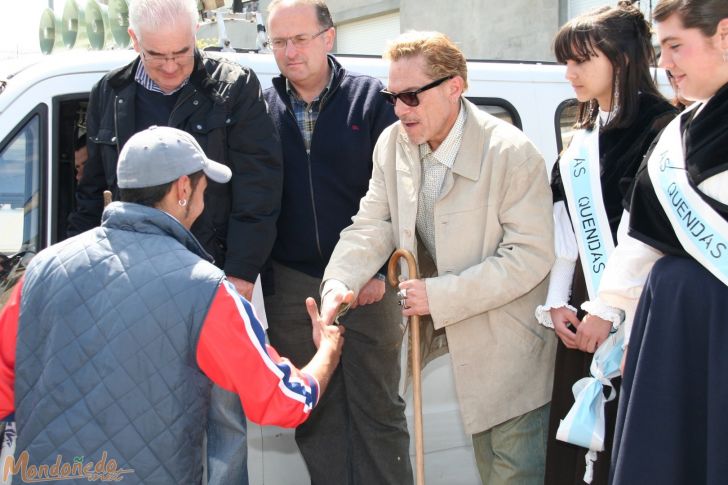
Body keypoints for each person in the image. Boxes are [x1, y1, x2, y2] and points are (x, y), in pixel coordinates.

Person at [0, 126, 344, 485]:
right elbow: (283, 401)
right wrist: (327, 352)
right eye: (203, 187)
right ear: (183, 188)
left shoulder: (41, 269)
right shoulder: (205, 287)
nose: (203, 199)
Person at [320, 31, 557, 485]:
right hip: (453, 331)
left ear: (455, 86)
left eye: (411, 96)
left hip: (510, 349)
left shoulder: (512, 153)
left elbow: (530, 256)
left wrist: (439, 295)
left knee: (511, 474)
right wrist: (338, 284)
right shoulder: (392, 144)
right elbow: (373, 223)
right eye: (393, 96)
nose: (399, 109)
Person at [66, 0, 283, 482]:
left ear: (198, 38)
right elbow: (89, 195)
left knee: (225, 420)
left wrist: (241, 277)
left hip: (216, 283)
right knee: (146, 419)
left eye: (182, 54)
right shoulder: (110, 92)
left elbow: (260, 189)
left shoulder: (233, 87)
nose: (169, 67)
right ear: (133, 39)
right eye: (156, 55)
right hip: (130, 293)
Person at [580, 1, 728, 483]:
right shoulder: (683, 131)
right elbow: (639, 233)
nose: (665, 63)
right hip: (680, 329)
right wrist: (609, 306)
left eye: (676, 46)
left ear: (724, 36)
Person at [261, 2, 407, 483]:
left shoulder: (373, 101)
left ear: (329, 37)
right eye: (279, 41)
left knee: (378, 413)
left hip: (368, 285)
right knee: (314, 413)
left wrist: (381, 269)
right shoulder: (260, 108)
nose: (289, 52)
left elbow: (400, 195)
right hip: (295, 289)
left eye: (299, 39)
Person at [534, 3, 676, 484]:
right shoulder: (582, 134)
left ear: (620, 58)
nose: (570, 73)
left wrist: (609, 310)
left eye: (582, 61)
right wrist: (557, 304)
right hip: (582, 311)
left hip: (638, 312)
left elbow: (655, 235)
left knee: (630, 439)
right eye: (566, 62)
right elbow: (567, 232)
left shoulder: (664, 128)